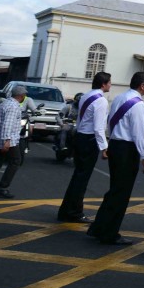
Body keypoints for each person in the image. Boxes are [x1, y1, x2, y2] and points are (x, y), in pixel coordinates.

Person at [88, 72, 144, 244]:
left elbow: (110, 121)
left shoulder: (119, 98)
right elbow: (139, 134)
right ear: (142, 86)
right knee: (121, 193)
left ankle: (98, 227)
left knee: (114, 190)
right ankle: (110, 233)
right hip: (127, 149)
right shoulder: (138, 105)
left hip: (116, 145)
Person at [58, 72, 111, 223]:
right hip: (90, 140)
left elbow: (81, 119)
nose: (110, 85)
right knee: (82, 179)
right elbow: (99, 127)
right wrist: (104, 147)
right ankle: (74, 212)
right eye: (109, 82)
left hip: (81, 136)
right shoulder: (101, 101)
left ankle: (66, 210)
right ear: (103, 84)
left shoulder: (86, 96)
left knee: (77, 176)